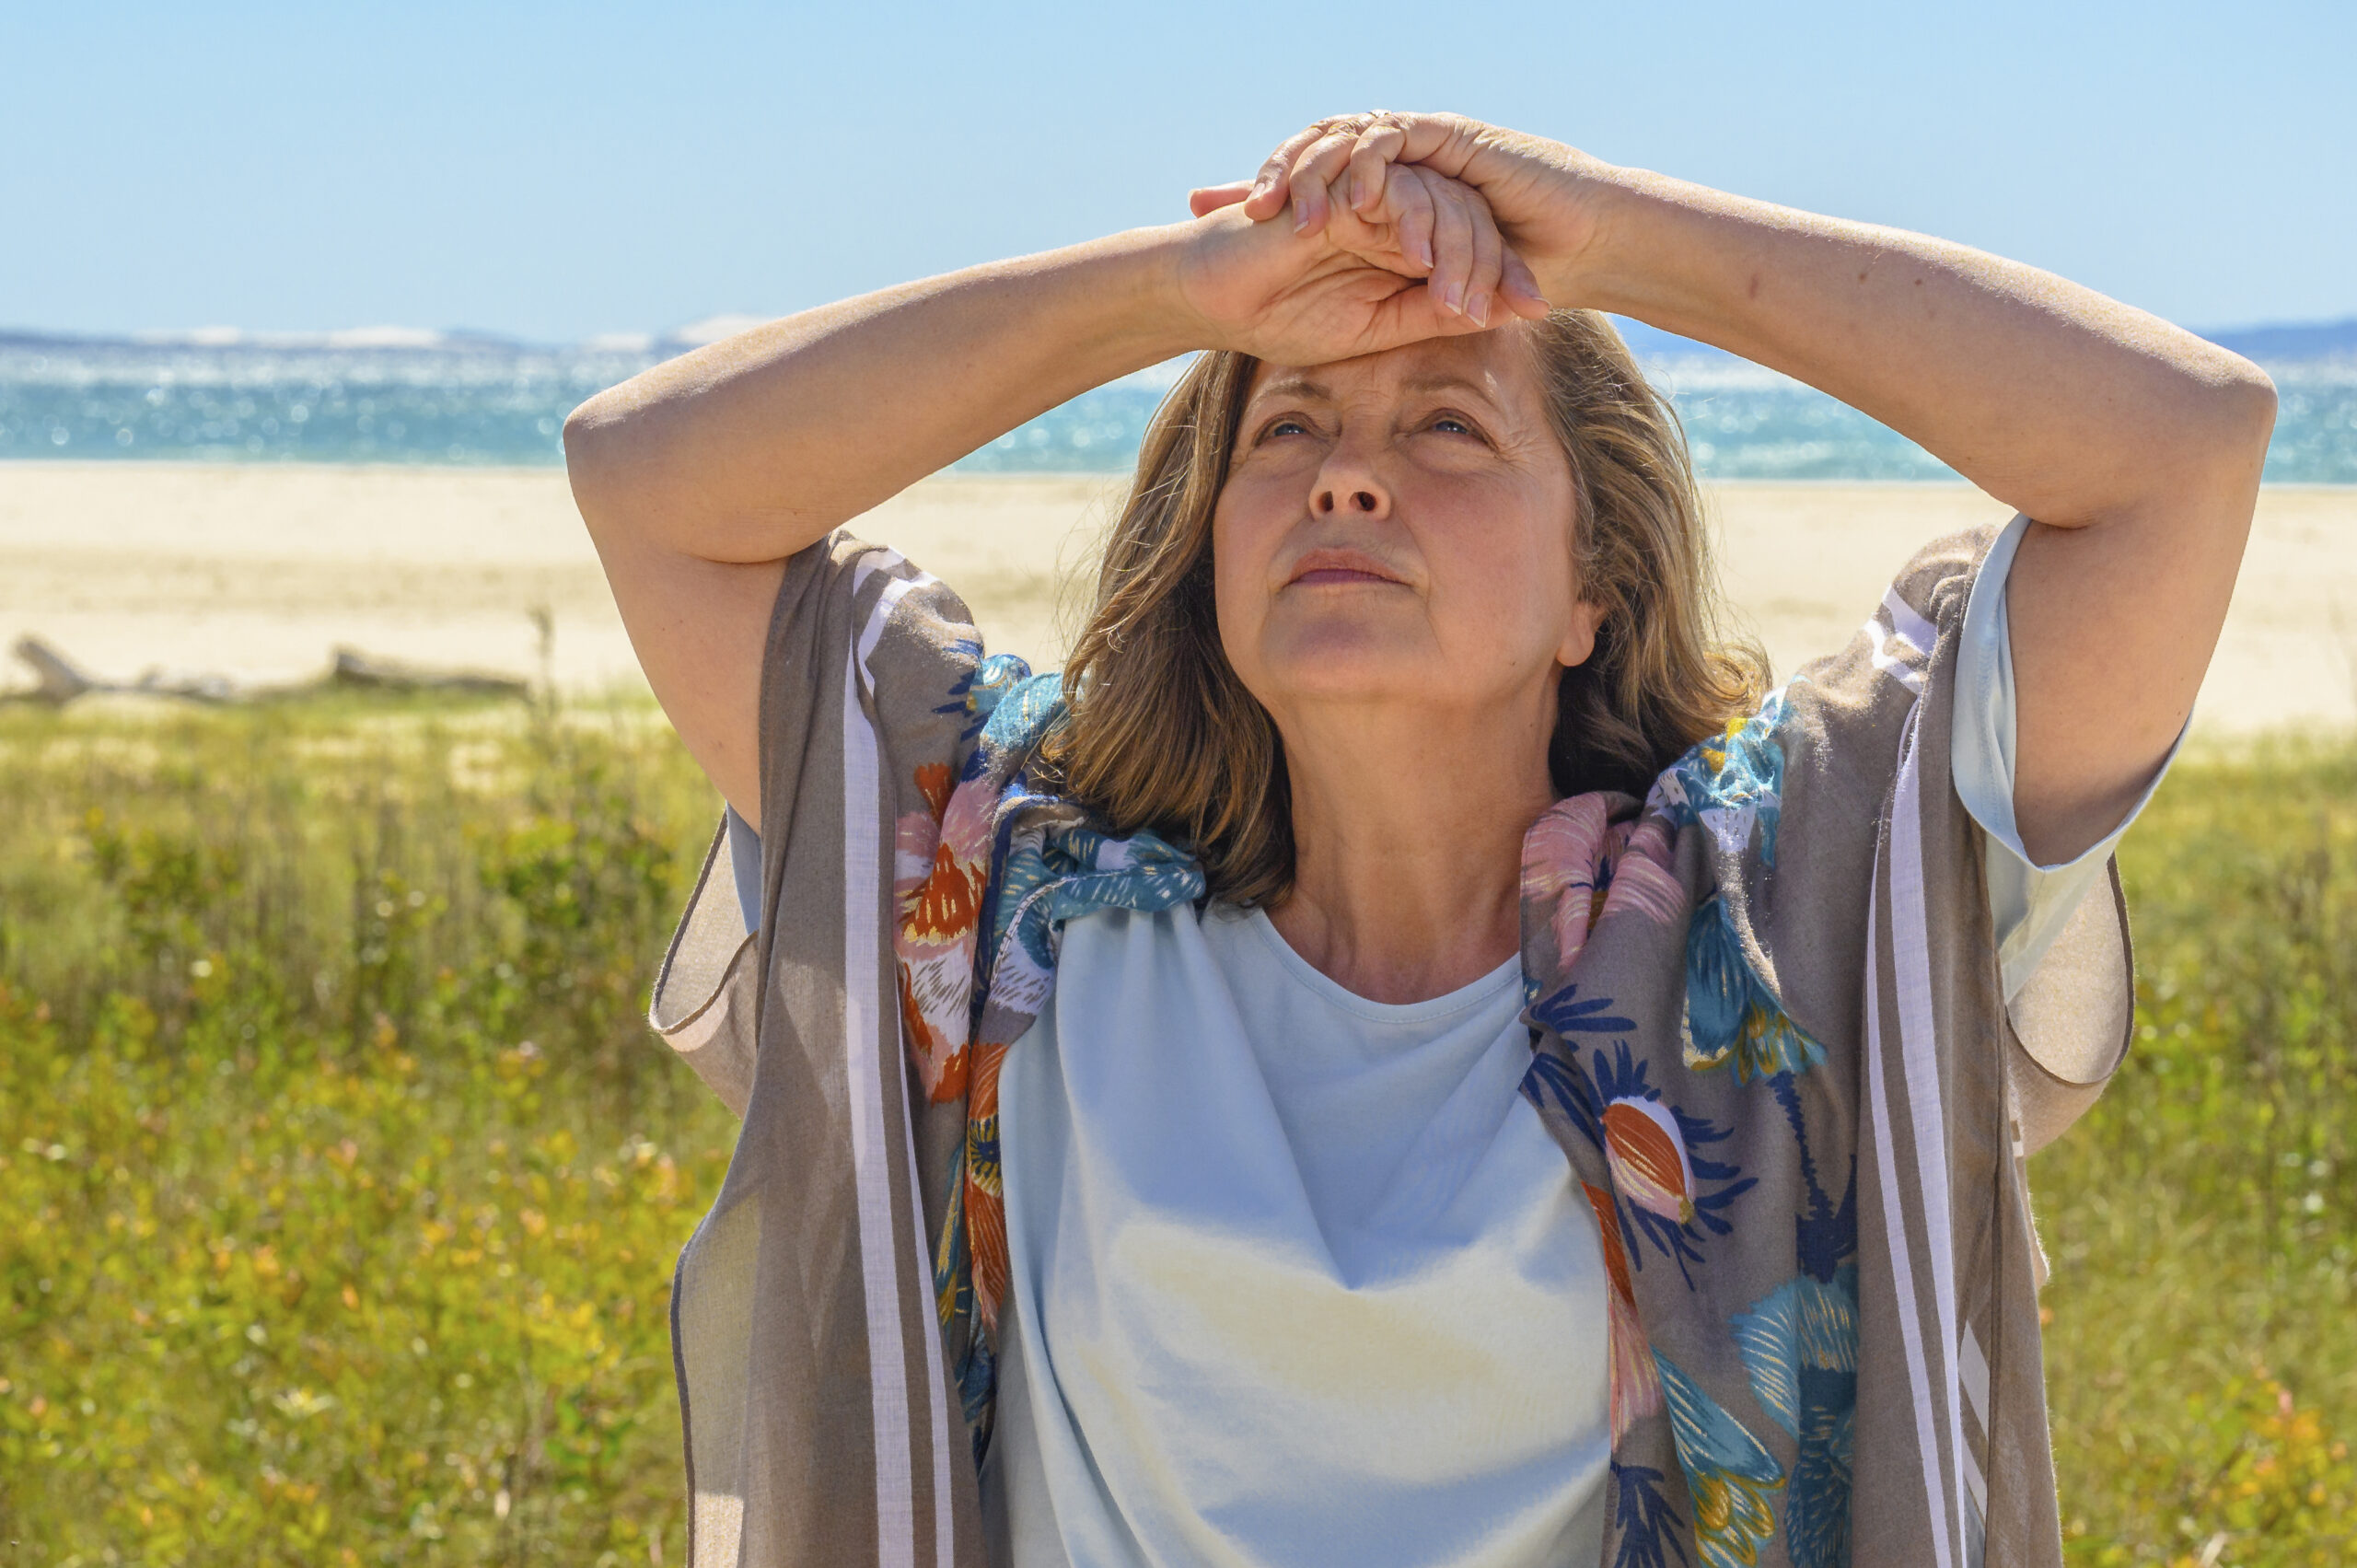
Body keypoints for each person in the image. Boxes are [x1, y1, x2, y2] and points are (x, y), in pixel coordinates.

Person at [564, 110, 2272, 1568]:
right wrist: (1186, 290)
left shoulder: (1765, 921)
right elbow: (651, 484)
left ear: (1592, 588)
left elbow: (2177, 454)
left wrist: (1613, 242)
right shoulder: (1023, 899)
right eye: (1287, 424)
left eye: (1448, 424)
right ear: (1211, 535)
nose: (1347, 479)